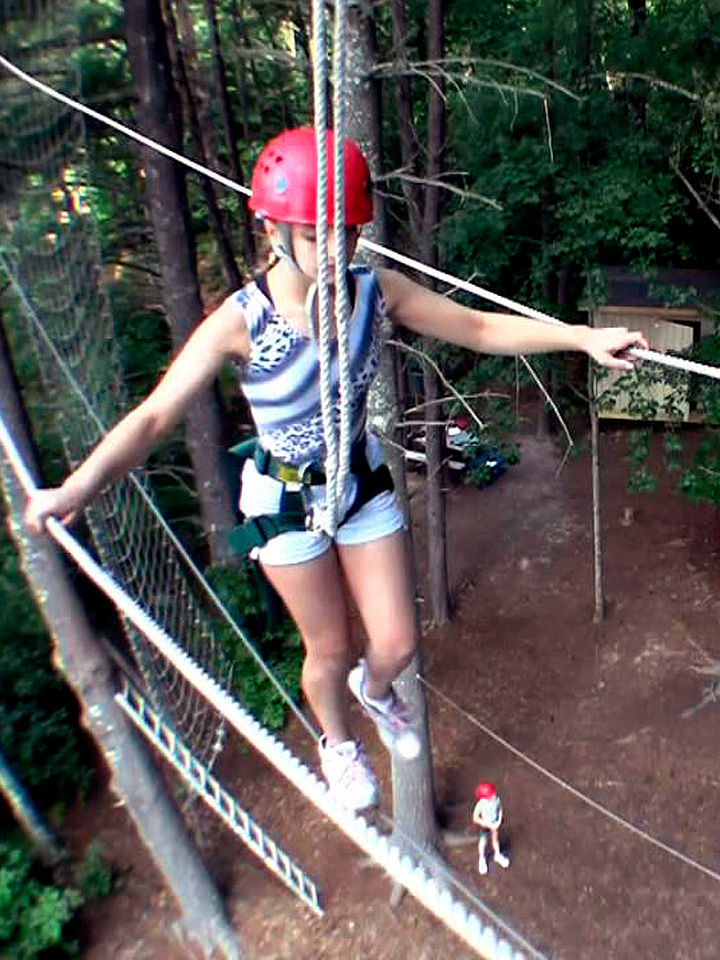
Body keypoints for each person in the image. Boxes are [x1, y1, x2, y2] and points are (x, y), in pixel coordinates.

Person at [25, 126, 649, 812]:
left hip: (359, 482)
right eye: (317, 234)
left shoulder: (374, 292)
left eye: (347, 232)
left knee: (397, 643)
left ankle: (374, 695)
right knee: (327, 649)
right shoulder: (243, 321)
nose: (336, 249)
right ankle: (337, 743)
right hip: (287, 502)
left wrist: (583, 338)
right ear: (272, 231)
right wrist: (79, 484)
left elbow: (476, 329)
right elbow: (153, 417)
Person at [473, 781, 509, 875]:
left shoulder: (497, 799)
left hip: (494, 823)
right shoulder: (481, 804)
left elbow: (500, 809)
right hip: (485, 825)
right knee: (483, 842)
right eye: (490, 795)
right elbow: (475, 818)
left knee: (495, 839)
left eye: (493, 793)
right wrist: (488, 824)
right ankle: (482, 859)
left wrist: (499, 820)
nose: (493, 796)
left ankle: (497, 854)